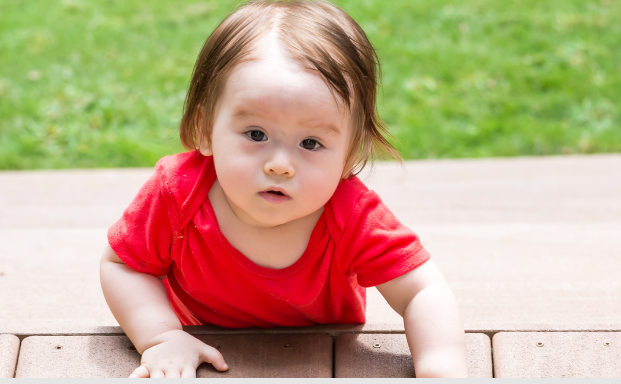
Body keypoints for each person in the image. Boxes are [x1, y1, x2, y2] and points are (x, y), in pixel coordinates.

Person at [99, 0, 467, 378]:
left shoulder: (351, 215)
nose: (280, 164)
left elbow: (422, 291)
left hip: (327, 360)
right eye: (256, 134)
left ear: (349, 152)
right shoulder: (178, 193)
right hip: (206, 353)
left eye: (310, 143)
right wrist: (161, 338)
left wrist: (441, 368)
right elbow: (124, 265)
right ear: (206, 129)